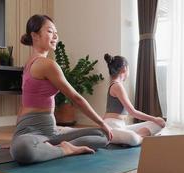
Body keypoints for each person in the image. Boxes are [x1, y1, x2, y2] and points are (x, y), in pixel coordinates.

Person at [10, 14, 113, 164]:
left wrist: (102, 126)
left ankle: (49, 147)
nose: (55, 36)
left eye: (56, 33)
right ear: (35, 35)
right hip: (30, 130)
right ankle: (65, 149)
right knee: (22, 150)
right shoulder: (45, 64)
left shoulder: (33, 64)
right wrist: (102, 122)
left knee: (102, 135)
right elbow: (76, 98)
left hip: (51, 130)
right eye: (50, 31)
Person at [103, 53, 166, 146]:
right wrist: (154, 118)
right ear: (124, 68)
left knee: (159, 124)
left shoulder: (117, 85)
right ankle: (141, 139)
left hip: (122, 126)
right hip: (112, 127)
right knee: (133, 137)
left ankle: (137, 138)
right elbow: (132, 112)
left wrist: (156, 120)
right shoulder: (117, 86)